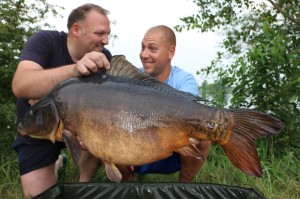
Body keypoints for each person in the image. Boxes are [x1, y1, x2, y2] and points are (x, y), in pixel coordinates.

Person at [11, 3, 111, 198]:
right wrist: (74, 71)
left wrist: (44, 93)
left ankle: (83, 184)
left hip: (76, 127)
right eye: (100, 33)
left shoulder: (103, 57)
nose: (106, 40)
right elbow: (21, 86)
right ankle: (56, 163)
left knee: (96, 134)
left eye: (108, 34)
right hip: (38, 128)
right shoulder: (45, 40)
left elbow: (100, 104)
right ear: (76, 29)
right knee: (37, 195)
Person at [118, 25, 212, 182]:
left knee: (204, 137)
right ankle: (129, 185)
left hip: (174, 150)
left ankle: (183, 187)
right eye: (143, 47)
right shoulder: (131, 80)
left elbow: (191, 117)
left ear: (171, 52)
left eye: (152, 49)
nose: (144, 54)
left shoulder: (184, 80)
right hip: (137, 149)